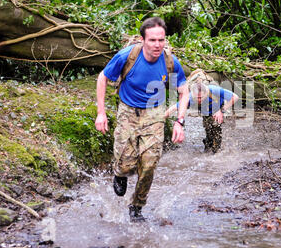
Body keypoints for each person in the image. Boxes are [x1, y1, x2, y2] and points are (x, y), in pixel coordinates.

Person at [95, 17, 189, 222]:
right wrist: (101, 113)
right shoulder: (127, 56)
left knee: (149, 165)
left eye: (161, 40)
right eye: (152, 40)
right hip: (127, 112)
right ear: (142, 39)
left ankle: (137, 206)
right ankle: (120, 174)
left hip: (154, 113)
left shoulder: (170, 62)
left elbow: (184, 91)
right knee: (125, 164)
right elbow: (103, 77)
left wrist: (179, 121)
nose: (157, 45)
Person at [165, 81, 239, 153]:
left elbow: (235, 97)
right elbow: (174, 108)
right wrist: (160, 118)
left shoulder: (214, 90)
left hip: (220, 107)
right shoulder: (190, 97)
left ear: (206, 93)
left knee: (216, 126)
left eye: (201, 97)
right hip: (206, 111)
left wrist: (221, 111)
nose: (199, 100)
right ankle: (208, 146)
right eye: (197, 98)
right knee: (209, 131)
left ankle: (217, 150)